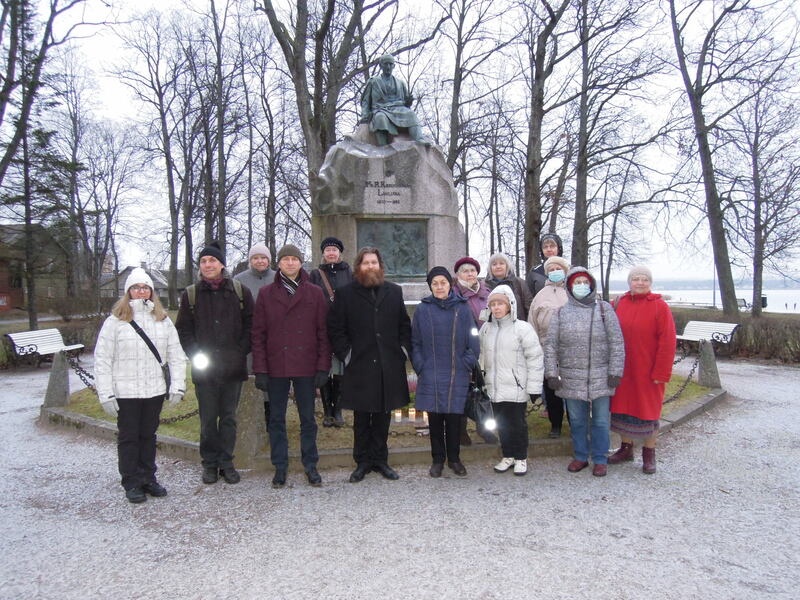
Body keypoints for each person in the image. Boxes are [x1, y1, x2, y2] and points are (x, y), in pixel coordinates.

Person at [94, 267, 187, 504]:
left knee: (148, 436)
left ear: (151, 292)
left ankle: (148, 477)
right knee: (129, 438)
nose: (141, 291)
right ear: (128, 292)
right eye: (136, 287)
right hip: (125, 392)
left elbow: (175, 355)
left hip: (153, 390)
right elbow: (103, 359)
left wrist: (177, 385)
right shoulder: (115, 322)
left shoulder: (163, 320)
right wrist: (105, 393)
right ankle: (131, 481)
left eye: (145, 287)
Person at [327, 247, 412, 483]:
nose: (370, 267)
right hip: (360, 364)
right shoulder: (345, 294)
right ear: (358, 267)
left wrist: (402, 351)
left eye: (374, 262)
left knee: (384, 415)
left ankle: (380, 460)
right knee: (362, 417)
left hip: (388, 364)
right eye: (366, 263)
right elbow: (336, 328)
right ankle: (362, 461)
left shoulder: (394, 292)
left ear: (380, 266)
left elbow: (404, 325)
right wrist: (347, 355)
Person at [252, 244, 331, 488]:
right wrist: (261, 370)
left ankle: (311, 464)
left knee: (308, 419)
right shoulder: (266, 293)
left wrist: (322, 367)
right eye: (285, 259)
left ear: (300, 263)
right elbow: (258, 334)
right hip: (276, 366)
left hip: (306, 366)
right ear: (279, 263)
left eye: (294, 259)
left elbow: (323, 333)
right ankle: (280, 466)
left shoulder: (315, 293)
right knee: (276, 419)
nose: (289, 263)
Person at [176, 241, 254, 485]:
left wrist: (240, 351)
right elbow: (184, 330)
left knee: (229, 418)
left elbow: (251, 326)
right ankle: (209, 463)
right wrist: (196, 355)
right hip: (205, 370)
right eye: (204, 261)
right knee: (208, 420)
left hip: (232, 368)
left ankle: (226, 462)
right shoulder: (191, 295)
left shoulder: (240, 292)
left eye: (212, 261)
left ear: (222, 264)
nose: (208, 265)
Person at [543, 267, 625, 477]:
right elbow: (551, 345)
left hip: (600, 376)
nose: (581, 285)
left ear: (591, 284)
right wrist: (552, 373)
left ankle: (600, 458)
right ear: (570, 286)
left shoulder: (604, 309)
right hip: (571, 378)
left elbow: (617, 342)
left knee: (600, 421)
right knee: (578, 420)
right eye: (576, 282)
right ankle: (580, 455)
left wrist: (616, 371)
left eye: (584, 281)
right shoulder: (562, 312)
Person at [411, 266, 480, 478]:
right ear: (430, 286)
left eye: (443, 283)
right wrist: (420, 365)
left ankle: (455, 459)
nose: (439, 287)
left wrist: (467, 362)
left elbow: (473, 337)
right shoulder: (423, 309)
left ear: (450, 284)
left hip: (456, 371)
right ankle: (437, 459)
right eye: (435, 283)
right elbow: (415, 342)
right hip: (431, 371)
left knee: (453, 419)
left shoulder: (462, 308)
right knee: (434, 418)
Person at [608, 265, 676, 474]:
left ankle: (649, 453)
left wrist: (661, 372)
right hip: (623, 370)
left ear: (650, 283)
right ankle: (626, 448)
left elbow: (668, 341)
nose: (640, 282)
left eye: (644, 279)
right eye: (636, 279)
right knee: (622, 411)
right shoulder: (619, 303)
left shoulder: (660, 307)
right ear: (629, 282)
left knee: (648, 413)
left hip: (647, 371)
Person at [479, 284, 543, 476]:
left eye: (501, 304)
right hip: (494, 387)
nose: (497, 308)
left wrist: (534, 387)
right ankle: (507, 455)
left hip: (515, 387)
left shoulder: (522, 328)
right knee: (501, 424)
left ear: (510, 305)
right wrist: (481, 380)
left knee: (517, 425)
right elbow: (481, 356)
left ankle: (521, 457)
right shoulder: (485, 329)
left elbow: (535, 358)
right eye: (493, 304)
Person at [310, 236, 353, 427]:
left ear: (340, 253)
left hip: (344, 328)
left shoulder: (348, 272)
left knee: (341, 370)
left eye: (334, 250)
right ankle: (327, 410)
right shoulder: (315, 275)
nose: (331, 253)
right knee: (325, 369)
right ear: (323, 254)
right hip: (322, 326)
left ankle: (338, 410)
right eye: (328, 250)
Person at [452, 255, 495, 444]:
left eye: (472, 271)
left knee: (485, 390)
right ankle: (460, 431)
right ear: (458, 274)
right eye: (465, 271)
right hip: (465, 349)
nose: (469, 274)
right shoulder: (453, 294)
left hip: (489, 347)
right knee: (464, 390)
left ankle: (485, 426)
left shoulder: (488, 292)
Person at [234, 242, 275, 432]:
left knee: (273, 377)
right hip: (249, 336)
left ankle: (270, 415)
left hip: (274, 338)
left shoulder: (279, 279)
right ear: (250, 260)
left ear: (269, 260)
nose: (260, 261)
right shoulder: (239, 281)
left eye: (263, 257)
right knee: (251, 374)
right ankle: (248, 415)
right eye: (256, 258)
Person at [528, 255, 571, 438]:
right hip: (547, 349)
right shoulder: (540, 296)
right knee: (552, 390)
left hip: (570, 349)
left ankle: (576, 423)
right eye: (551, 270)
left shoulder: (573, 292)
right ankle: (555, 425)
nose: (555, 272)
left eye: (558, 269)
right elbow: (532, 324)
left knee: (572, 390)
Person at [360, 53, 425, 146]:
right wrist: (365, 115)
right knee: (380, 118)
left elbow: (406, 102)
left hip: (398, 108)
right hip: (380, 109)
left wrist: (409, 101)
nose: (388, 67)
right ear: (381, 65)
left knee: (411, 114)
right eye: (386, 64)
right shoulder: (373, 81)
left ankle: (419, 139)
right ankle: (383, 147)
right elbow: (365, 101)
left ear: (394, 66)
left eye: (390, 64)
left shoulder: (400, 83)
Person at [484, 252, 532, 321]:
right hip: (494, 328)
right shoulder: (485, 286)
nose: (498, 266)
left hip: (518, 327)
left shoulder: (519, 283)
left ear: (507, 266)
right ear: (490, 268)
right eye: (494, 264)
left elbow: (529, 307)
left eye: (501, 263)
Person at [526, 233, 564, 298]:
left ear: (558, 248)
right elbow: (528, 297)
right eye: (545, 247)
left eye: (552, 246)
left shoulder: (568, 269)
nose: (549, 249)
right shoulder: (535, 272)